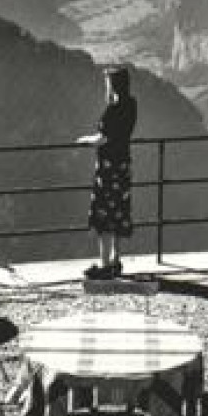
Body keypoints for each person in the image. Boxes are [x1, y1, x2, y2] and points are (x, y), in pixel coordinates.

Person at [76, 65, 137, 279]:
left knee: (104, 216)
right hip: (123, 166)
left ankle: (104, 266)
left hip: (109, 167)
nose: (106, 86)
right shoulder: (131, 105)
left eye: (108, 83)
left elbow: (103, 138)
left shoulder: (113, 110)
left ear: (113, 85)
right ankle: (115, 260)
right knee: (119, 212)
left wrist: (84, 140)